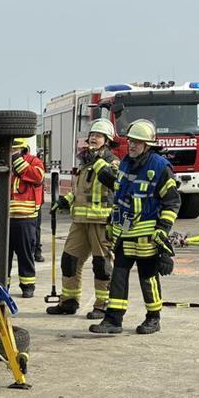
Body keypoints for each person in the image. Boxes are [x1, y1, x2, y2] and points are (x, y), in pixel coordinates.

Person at [89, 119, 180, 335]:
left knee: (148, 278)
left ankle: (153, 318)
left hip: (147, 236)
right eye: (130, 141)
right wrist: (112, 223)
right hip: (125, 233)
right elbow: (120, 193)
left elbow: (172, 201)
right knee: (119, 275)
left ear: (148, 145)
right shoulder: (126, 163)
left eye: (137, 142)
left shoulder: (160, 166)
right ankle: (113, 320)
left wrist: (163, 228)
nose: (131, 146)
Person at [47, 119, 120, 319]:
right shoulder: (85, 162)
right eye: (92, 135)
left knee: (101, 265)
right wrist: (64, 201)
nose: (93, 138)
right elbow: (81, 191)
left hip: (101, 222)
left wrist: (98, 161)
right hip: (79, 221)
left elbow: (113, 183)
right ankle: (69, 301)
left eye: (98, 136)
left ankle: (102, 305)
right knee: (69, 260)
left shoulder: (112, 162)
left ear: (107, 141)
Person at [8, 137, 45, 297]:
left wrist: (17, 160)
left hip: (25, 218)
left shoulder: (34, 162)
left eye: (15, 149)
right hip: (5, 218)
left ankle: (27, 286)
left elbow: (37, 177)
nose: (11, 152)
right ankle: (3, 286)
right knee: (4, 256)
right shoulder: (4, 162)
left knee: (25, 254)